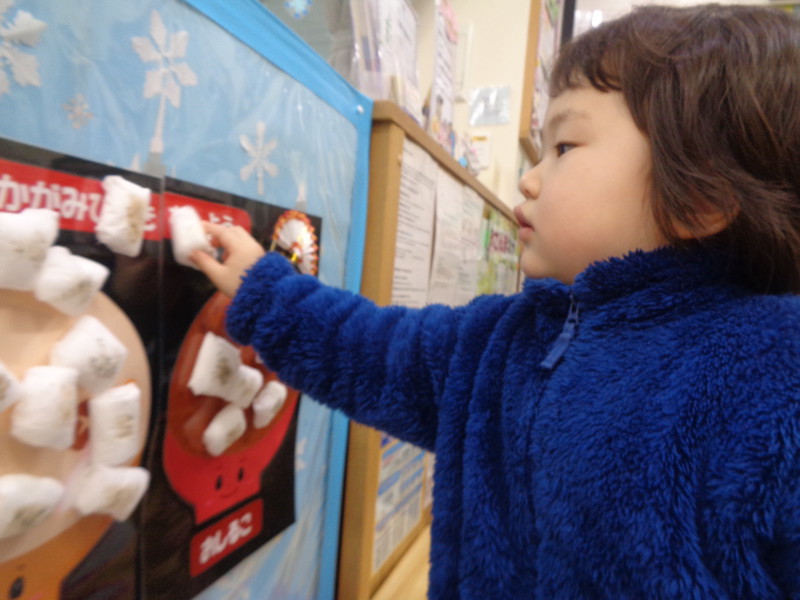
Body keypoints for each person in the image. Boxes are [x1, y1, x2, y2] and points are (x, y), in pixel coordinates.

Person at [191, 4, 800, 598]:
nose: (529, 178)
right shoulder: (500, 340)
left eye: (563, 148)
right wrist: (265, 290)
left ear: (700, 199)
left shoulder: (771, 375)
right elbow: (373, 350)